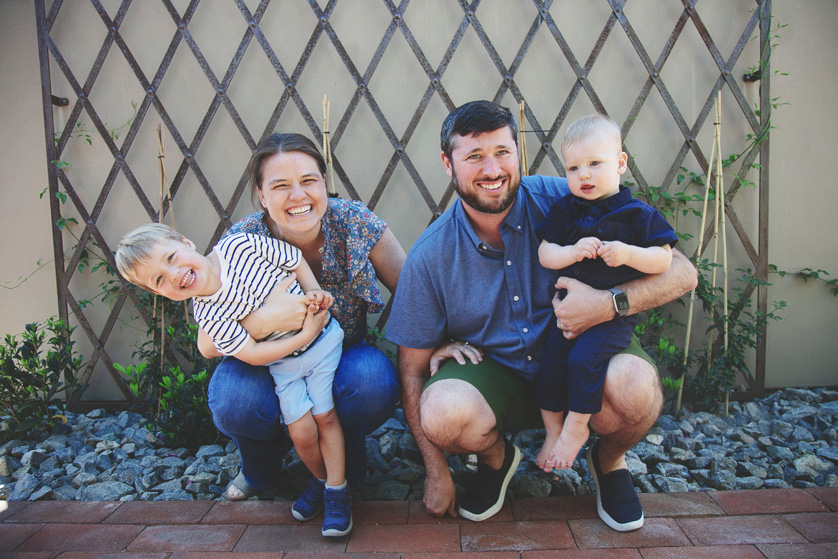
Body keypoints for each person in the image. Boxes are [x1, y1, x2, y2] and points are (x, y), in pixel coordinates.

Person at [386, 101, 697, 531]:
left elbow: (681, 271)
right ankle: (497, 460)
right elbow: (412, 371)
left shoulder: (571, 199)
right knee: (440, 410)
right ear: (447, 163)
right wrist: (436, 471)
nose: (492, 169)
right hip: (501, 375)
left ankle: (608, 461)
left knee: (636, 387)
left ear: (520, 154)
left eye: (502, 152)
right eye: (474, 156)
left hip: (585, 351)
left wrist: (609, 303)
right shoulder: (430, 256)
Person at [196, 133, 404, 504]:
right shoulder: (243, 239)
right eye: (280, 186)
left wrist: (449, 341)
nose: (298, 196)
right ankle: (262, 468)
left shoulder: (354, 221)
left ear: (324, 184)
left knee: (372, 382)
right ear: (261, 195)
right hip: (266, 361)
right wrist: (263, 322)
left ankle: (345, 467)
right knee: (234, 399)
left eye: (309, 180)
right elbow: (208, 342)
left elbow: (411, 292)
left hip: (340, 354)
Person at [116, 223, 352, 537]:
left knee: (324, 415)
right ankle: (322, 481)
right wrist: (301, 336)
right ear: (160, 294)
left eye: (171, 257)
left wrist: (314, 292)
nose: (173, 274)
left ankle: (337, 491)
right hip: (284, 364)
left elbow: (292, 257)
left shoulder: (238, 247)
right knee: (302, 433)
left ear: (186, 241)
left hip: (322, 344)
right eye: (160, 279)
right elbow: (253, 353)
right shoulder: (207, 316)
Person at [534, 113, 678, 475]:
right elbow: (546, 251)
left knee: (585, 361)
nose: (583, 175)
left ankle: (576, 428)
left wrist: (629, 254)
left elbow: (664, 258)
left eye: (594, 164)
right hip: (567, 312)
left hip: (612, 318)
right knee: (550, 364)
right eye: (572, 168)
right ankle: (552, 432)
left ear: (620, 163)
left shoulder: (637, 214)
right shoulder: (565, 209)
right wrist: (571, 252)